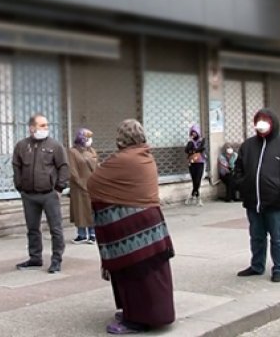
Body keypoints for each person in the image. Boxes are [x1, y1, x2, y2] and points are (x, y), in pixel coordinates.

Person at [87, 119, 175, 334]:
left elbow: (93, 182)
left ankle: (137, 319)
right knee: (151, 275)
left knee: (135, 276)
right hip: (150, 225)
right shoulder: (145, 155)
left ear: (122, 138)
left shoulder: (124, 159)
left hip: (132, 229)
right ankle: (141, 312)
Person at [233, 108, 280, 283]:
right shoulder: (248, 145)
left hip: (277, 202)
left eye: (265, 120)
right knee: (256, 236)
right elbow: (238, 168)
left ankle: (279, 268)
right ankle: (257, 266)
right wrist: (243, 185)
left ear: (273, 123)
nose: (261, 124)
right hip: (253, 201)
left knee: (278, 238)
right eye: (258, 120)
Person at [12, 114, 69, 273]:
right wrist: (20, 186)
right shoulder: (22, 146)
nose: (46, 128)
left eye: (46, 125)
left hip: (49, 194)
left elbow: (64, 167)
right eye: (42, 125)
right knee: (32, 228)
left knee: (55, 229)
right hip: (29, 195)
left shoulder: (54, 146)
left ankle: (56, 260)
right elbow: (16, 166)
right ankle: (35, 257)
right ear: (32, 128)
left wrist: (59, 188)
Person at [68, 128, 98, 244]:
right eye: (87, 138)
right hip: (79, 187)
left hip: (92, 185)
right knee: (80, 211)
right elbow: (72, 170)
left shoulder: (92, 151)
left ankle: (92, 234)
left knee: (92, 211)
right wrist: (80, 183)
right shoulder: (73, 152)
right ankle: (81, 235)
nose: (90, 140)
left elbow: (96, 166)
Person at [185, 124, 206, 206]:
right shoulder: (190, 141)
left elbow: (201, 148)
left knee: (198, 180)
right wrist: (194, 150)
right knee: (194, 180)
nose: (193, 134)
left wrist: (194, 150)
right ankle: (196, 197)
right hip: (192, 162)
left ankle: (193, 196)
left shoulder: (202, 140)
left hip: (200, 162)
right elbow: (187, 150)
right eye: (192, 132)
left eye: (195, 132)